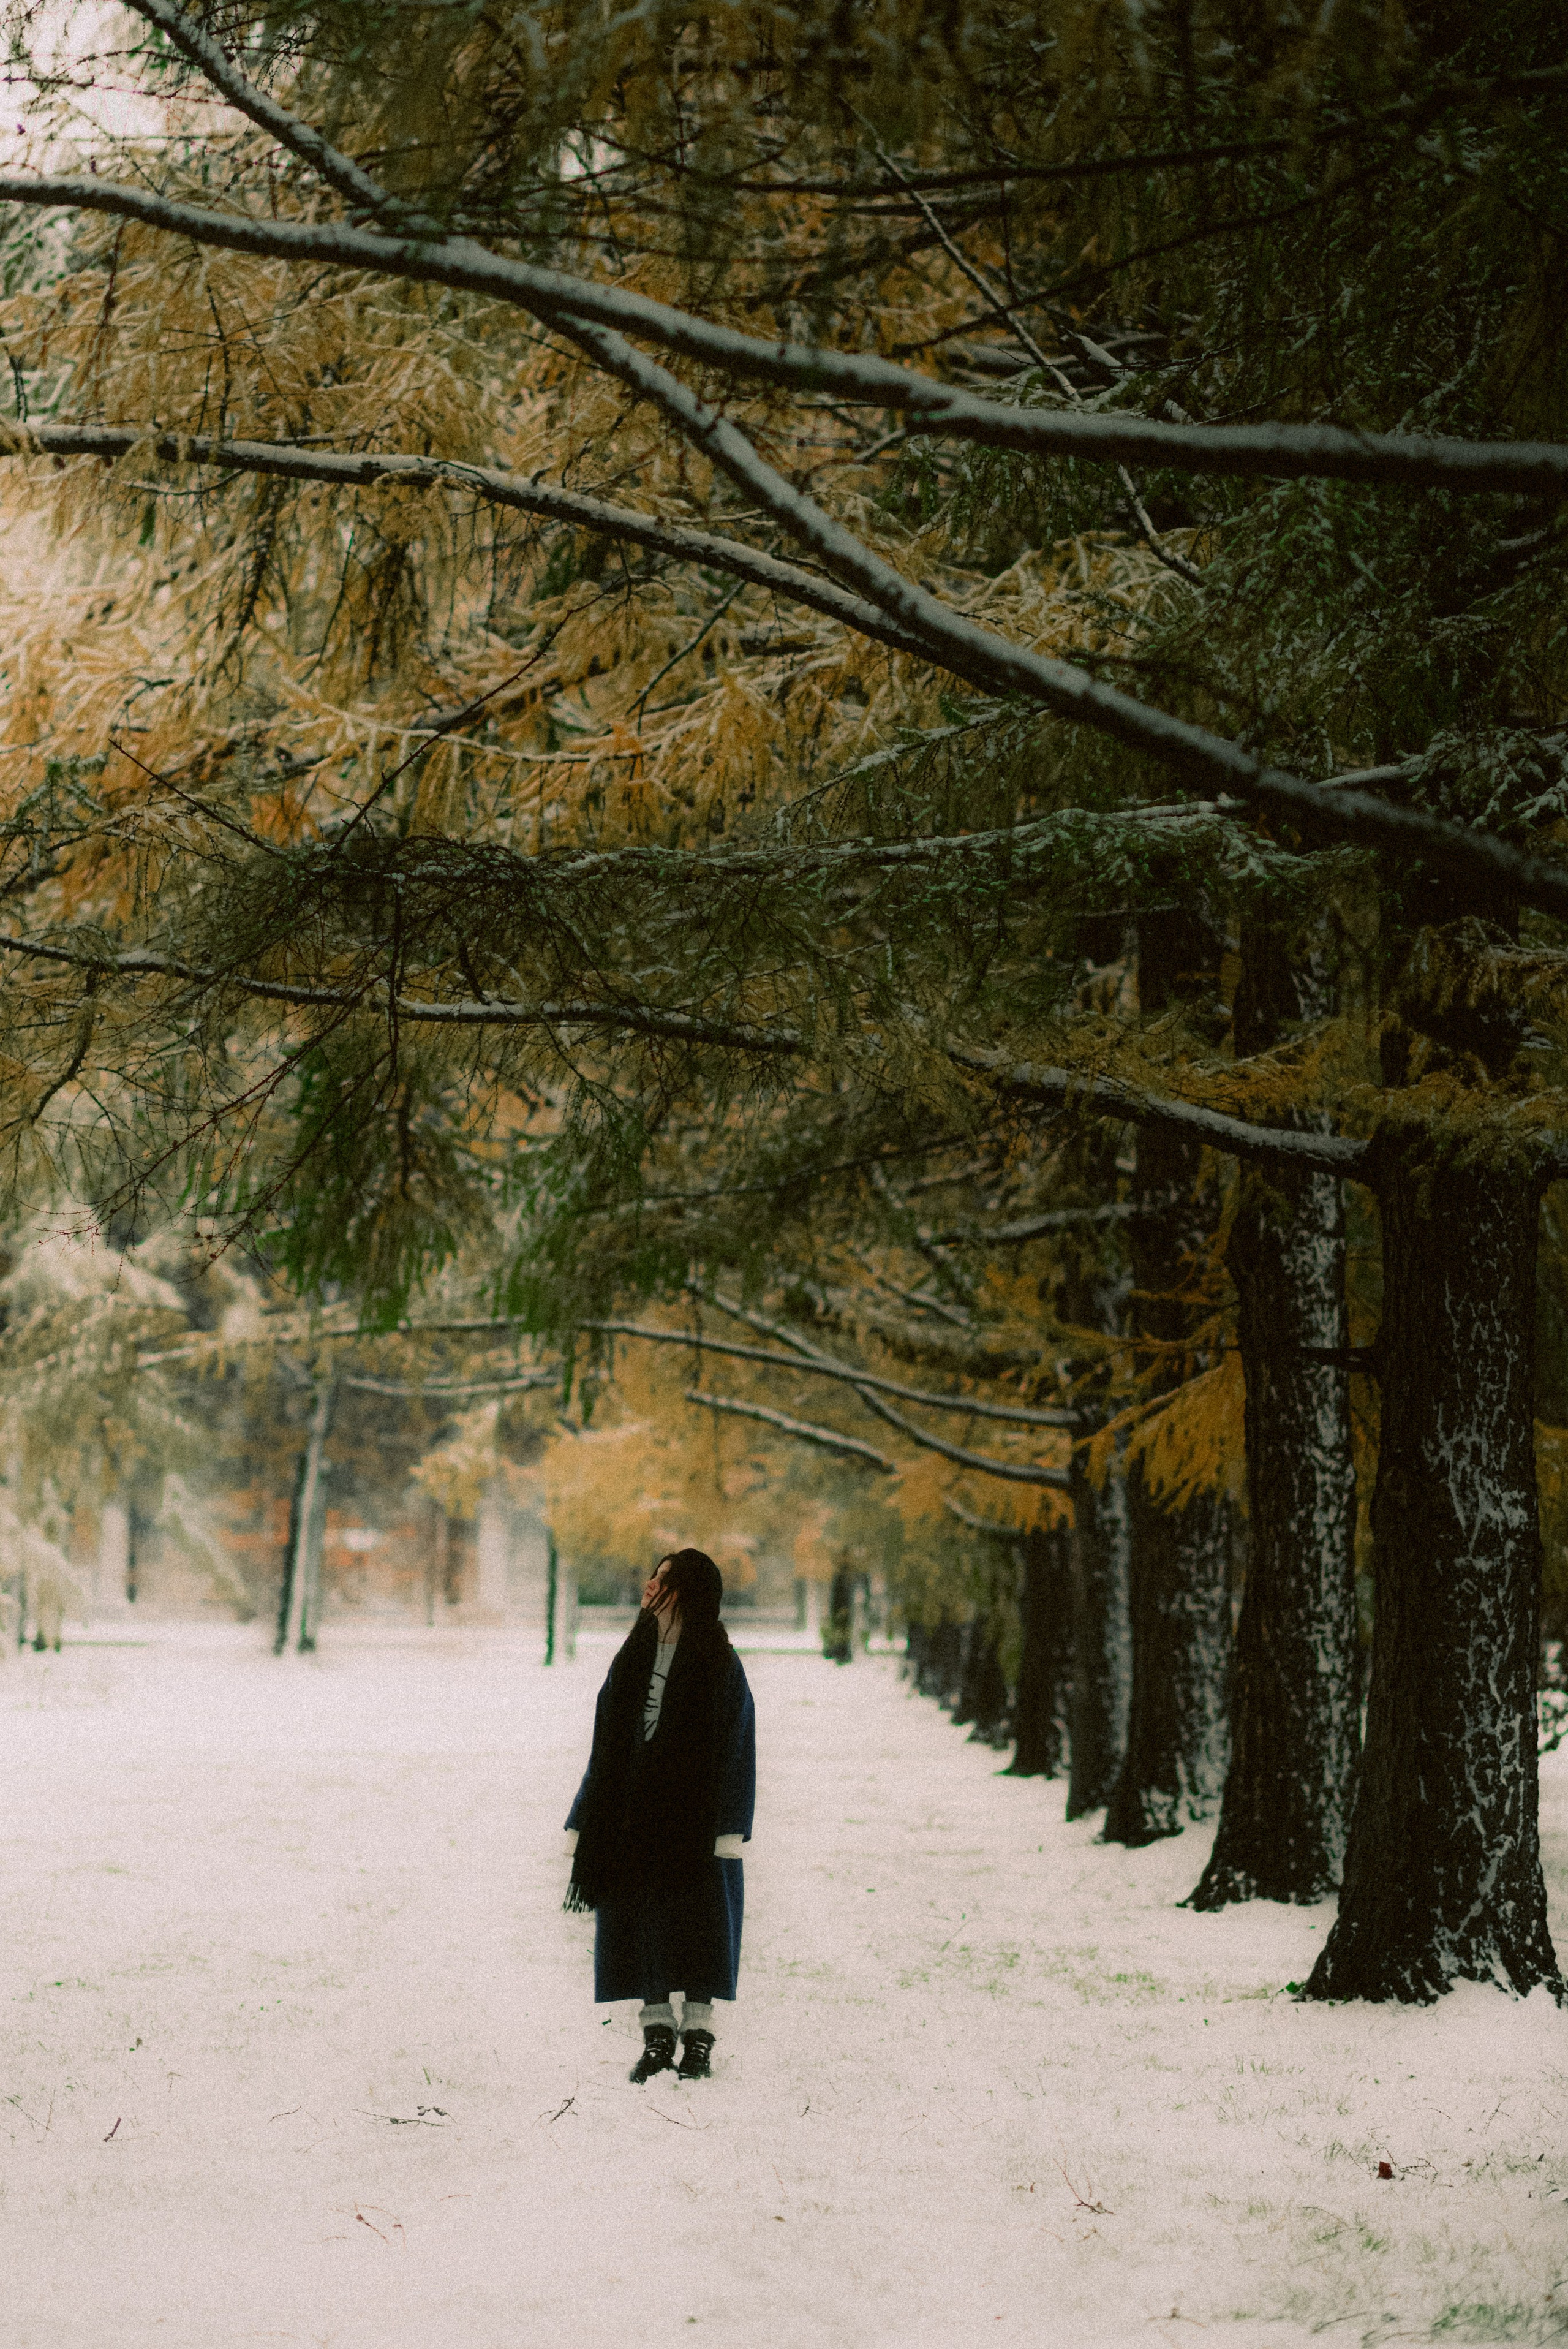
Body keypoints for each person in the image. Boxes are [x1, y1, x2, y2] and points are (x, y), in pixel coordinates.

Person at [564, 1547, 756, 2082]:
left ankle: (698, 2037)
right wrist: (584, 1818)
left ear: (690, 1592)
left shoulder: (718, 1661)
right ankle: (656, 2035)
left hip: (696, 1823)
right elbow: (607, 1751)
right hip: (633, 1819)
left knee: (700, 1926)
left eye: (666, 1579)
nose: (651, 1584)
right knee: (642, 1922)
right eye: (653, 1574)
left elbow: (737, 1747)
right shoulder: (632, 1656)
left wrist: (730, 1827)